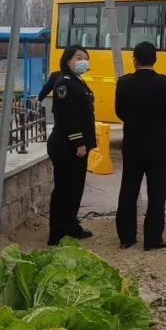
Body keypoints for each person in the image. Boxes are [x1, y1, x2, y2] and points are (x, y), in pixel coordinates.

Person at [115, 41, 166, 250]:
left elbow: (120, 112)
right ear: (154, 60)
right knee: (157, 194)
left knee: (128, 190)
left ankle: (126, 238)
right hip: (158, 146)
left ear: (134, 60)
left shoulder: (123, 83)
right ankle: (153, 239)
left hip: (132, 145)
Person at [38, 45, 96, 245]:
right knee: (64, 190)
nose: (83, 61)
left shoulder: (75, 80)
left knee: (75, 188)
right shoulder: (65, 83)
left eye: (85, 58)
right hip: (67, 145)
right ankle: (56, 234)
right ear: (68, 60)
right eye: (79, 57)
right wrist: (78, 142)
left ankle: (71, 226)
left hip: (75, 145)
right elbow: (67, 117)